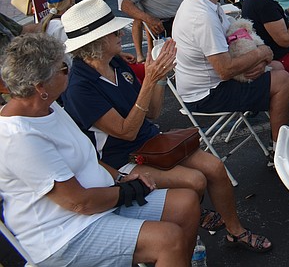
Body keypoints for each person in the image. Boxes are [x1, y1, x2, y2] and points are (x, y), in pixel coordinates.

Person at [60, 0, 273, 253]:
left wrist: (160, 79)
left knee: (215, 167)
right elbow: (126, 133)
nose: (120, 32)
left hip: (150, 142)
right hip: (123, 158)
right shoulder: (80, 88)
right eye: (112, 31)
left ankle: (234, 231)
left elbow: (152, 113)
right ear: (95, 43)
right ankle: (191, 240)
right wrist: (150, 80)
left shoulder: (115, 62)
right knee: (194, 180)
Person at [0, 33, 198, 266]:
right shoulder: (19, 137)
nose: (69, 71)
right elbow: (78, 202)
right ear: (41, 86)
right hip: (63, 231)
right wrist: (128, 190)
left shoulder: (48, 106)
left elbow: (87, 159)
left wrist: (121, 177)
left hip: (96, 202)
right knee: (168, 240)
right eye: (62, 68)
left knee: (186, 203)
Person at [172, 0, 289, 148]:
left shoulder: (203, 4)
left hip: (206, 84)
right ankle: (278, 150)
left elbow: (236, 38)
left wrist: (261, 60)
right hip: (205, 94)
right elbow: (225, 70)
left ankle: (275, 138)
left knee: (277, 67)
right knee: (282, 81)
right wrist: (262, 53)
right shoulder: (202, 17)